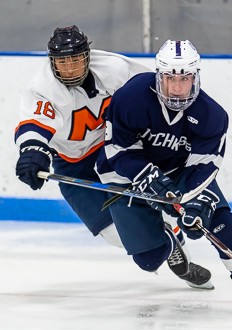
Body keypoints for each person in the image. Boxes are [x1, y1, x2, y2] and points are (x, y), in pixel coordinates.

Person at [96, 39, 232, 312]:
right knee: (149, 259)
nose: (177, 87)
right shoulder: (131, 97)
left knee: (216, 216)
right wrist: (145, 175)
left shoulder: (212, 115)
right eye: (170, 79)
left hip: (179, 171)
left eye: (185, 78)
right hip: (125, 175)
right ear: (158, 76)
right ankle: (169, 237)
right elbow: (117, 150)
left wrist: (194, 199)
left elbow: (204, 167)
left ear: (195, 77)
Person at [14, 26, 213, 290]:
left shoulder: (114, 68)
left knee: (144, 230)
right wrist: (32, 151)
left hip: (114, 152)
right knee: (114, 234)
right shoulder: (43, 88)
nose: (70, 68)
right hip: (72, 164)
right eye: (63, 62)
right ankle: (168, 235)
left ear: (87, 55)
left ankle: (169, 237)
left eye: (75, 59)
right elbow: (34, 125)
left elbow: (154, 90)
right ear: (52, 62)